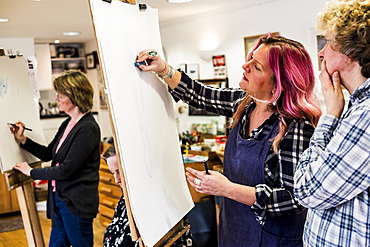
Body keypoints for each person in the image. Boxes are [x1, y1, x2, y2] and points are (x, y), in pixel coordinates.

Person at [136, 34, 322, 246]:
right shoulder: (244, 104)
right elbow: (198, 93)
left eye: (257, 66)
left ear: (278, 85)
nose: (245, 66)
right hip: (234, 230)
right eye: (250, 58)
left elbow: (294, 198)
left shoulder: (295, 126)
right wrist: (163, 69)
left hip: (272, 238)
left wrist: (227, 189)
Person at [294, 0, 370, 246]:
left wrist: (329, 116)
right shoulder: (357, 107)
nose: (321, 52)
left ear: (352, 50)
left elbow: (307, 190)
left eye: (329, 42)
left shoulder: (365, 116)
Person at [10, 70, 101, 247]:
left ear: (75, 96)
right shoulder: (68, 123)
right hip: (60, 199)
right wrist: (23, 139)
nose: (56, 98)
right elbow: (49, 154)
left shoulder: (87, 128)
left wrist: (31, 172)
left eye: (60, 95)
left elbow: (66, 169)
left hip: (75, 203)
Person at [102, 144, 196, 247]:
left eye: (119, 172)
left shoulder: (156, 198)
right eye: (112, 173)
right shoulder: (127, 197)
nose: (116, 180)